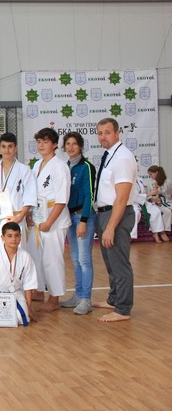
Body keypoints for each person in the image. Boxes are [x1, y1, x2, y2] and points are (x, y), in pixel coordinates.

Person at [94, 118, 138, 322]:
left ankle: (123, 309)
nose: (103, 136)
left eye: (107, 132)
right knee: (110, 261)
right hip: (105, 213)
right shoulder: (110, 155)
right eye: (100, 133)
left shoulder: (122, 158)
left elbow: (121, 197)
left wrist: (111, 227)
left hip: (117, 214)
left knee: (119, 263)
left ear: (118, 133)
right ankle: (114, 299)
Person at [25, 128, 71, 313]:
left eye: (45, 142)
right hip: (38, 216)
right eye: (39, 142)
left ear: (54, 145)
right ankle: (38, 290)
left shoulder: (60, 166)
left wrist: (50, 222)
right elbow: (32, 193)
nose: (41, 145)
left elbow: (62, 199)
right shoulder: (37, 165)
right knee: (35, 256)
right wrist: (29, 214)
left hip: (54, 219)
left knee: (52, 259)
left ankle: (54, 297)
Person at [60, 132, 96, 315]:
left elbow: (90, 195)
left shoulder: (86, 167)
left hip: (82, 217)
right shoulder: (65, 167)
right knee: (75, 259)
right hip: (70, 217)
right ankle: (78, 295)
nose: (71, 147)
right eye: (68, 144)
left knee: (84, 259)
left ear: (80, 146)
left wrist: (83, 220)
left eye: (74, 144)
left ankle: (86, 299)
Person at [0, 222, 38, 326]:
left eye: (16, 235)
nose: (14, 239)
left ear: (20, 237)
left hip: (15, 294)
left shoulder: (25, 256)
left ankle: (20, 311)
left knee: (23, 318)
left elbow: (29, 284)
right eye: (9, 236)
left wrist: (29, 307)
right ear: (2, 237)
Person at [0, 133, 36, 246]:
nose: (7, 150)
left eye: (10, 146)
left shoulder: (24, 170)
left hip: (16, 218)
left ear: (16, 148)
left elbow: (29, 196)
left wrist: (20, 217)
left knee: (17, 252)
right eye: (3, 146)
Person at [133, 177, 168, 242]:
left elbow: (144, 192)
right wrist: (150, 193)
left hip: (143, 201)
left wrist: (151, 198)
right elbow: (134, 196)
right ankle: (130, 236)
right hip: (133, 202)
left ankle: (156, 233)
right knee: (135, 213)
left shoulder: (139, 179)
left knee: (156, 211)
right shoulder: (128, 179)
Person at [145, 165, 171, 239]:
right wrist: (152, 199)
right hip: (154, 202)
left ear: (156, 172)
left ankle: (165, 230)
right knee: (164, 211)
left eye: (151, 174)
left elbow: (169, 194)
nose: (150, 176)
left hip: (166, 200)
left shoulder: (168, 181)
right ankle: (161, 232)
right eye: (149, 175)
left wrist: (159, 192)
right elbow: (148, 195)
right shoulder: (150, 182)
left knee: (168, 211)